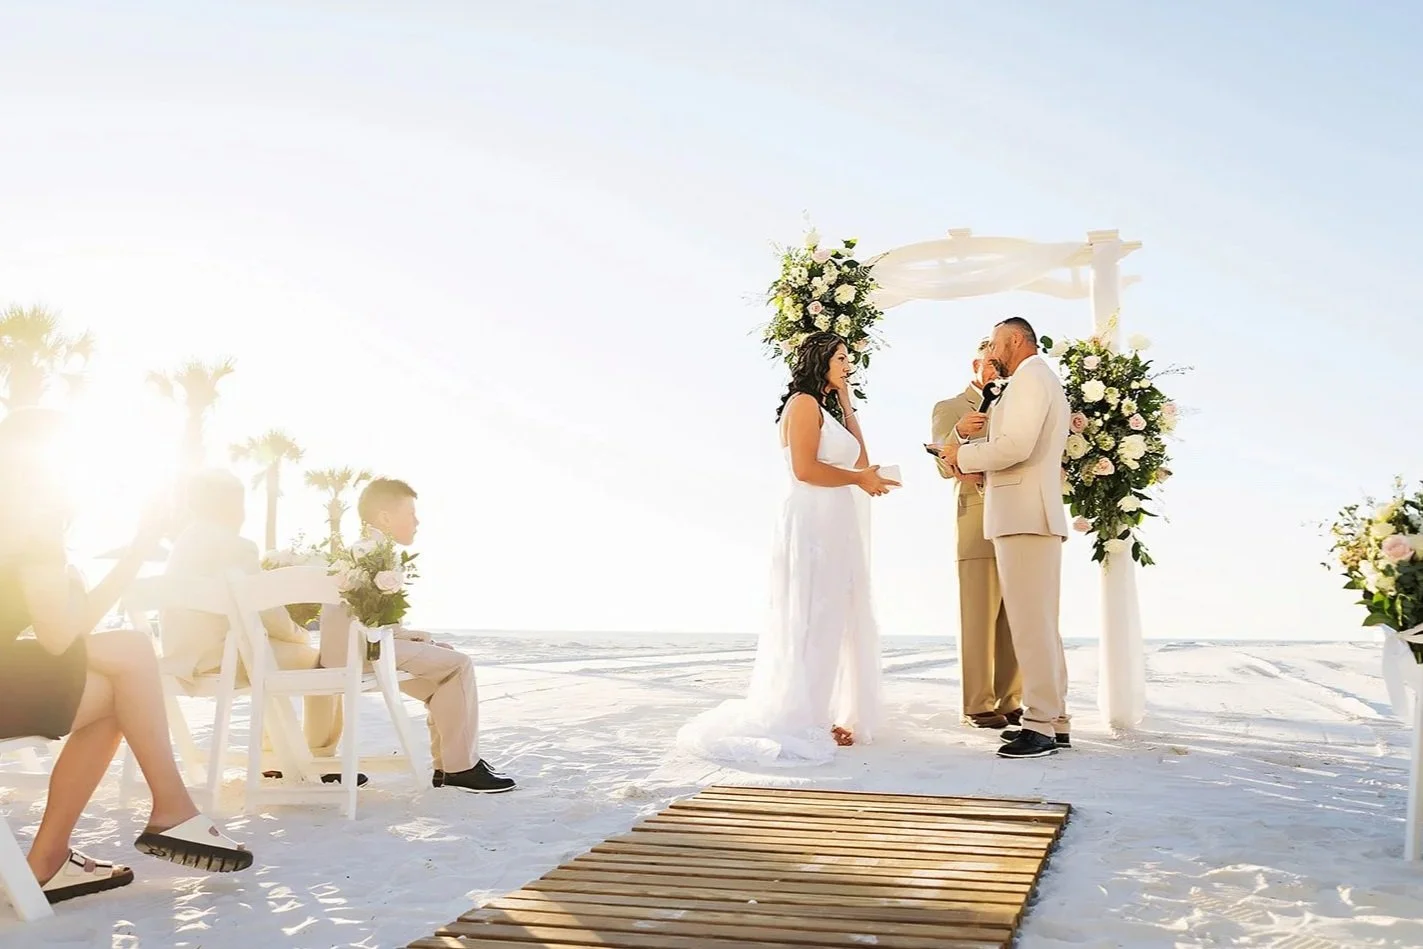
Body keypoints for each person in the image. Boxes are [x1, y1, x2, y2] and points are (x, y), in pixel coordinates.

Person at [0, 409, 251, 905]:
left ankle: (55, 857)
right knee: (132, 655)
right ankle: (170, 811)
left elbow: (63, 637)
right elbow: (59, 639)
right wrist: (138, 548)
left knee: (122, 687)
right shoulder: (32, 525)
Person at [677, 332, 897, 766]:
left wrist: (848, 404)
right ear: (820, 361)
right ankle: (803, 717)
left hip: (836, 522)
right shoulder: (802, 404)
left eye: (847, 358)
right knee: (811, 615)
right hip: (811, 520)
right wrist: (858, 480)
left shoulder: (828, 407)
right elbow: (806, 469)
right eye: (840, 357)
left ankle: (821, 712)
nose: (846, 364)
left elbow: (861, 461)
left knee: (834, 615)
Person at [163, 468, 361, 785]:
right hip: (226, 659)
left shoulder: (183, 543)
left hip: (183, 659)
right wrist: (299, 634)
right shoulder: (234, 545)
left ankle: (274, 757)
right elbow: (265, 610)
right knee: (322, 663)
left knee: (267, 657)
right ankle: (320, 761)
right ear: (230, 505)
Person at [319, 478, 515, 793]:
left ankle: (449, 766)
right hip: (363, 652)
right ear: (384, 517)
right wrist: (418, 642)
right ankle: (460, 767)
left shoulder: (358, 551)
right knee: (459, 665)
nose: (417, 521)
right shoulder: (374, 553)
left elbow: (371, 620)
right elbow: (373, 625)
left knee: (443, 678)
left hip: (348, 649)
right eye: (410, 513)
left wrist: (422, 641)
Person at [937, 317, 1072, 759]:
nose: (992, 351)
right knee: (1040, 625)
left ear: (1015, 341)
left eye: (996, 342)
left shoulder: (1030, 380)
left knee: (1030, 626)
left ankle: (1039, 726)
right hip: (1028, 514)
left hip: (1024, 515)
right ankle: (1056, 719)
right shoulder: (1034, 380)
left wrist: (963, 453)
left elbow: (1017, 446)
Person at [931, 339, 1022, 729]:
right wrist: (957, 433)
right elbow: (942, 465)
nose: (996, 371)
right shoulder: (949, 408)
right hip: (975, 518)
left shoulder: (1019, 405)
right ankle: (978, 704)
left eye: (1001, 365)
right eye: (990, 363)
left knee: (1015, 614)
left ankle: (1011, 698)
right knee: (979, 614)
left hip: (1016, 515)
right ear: (976, 364)